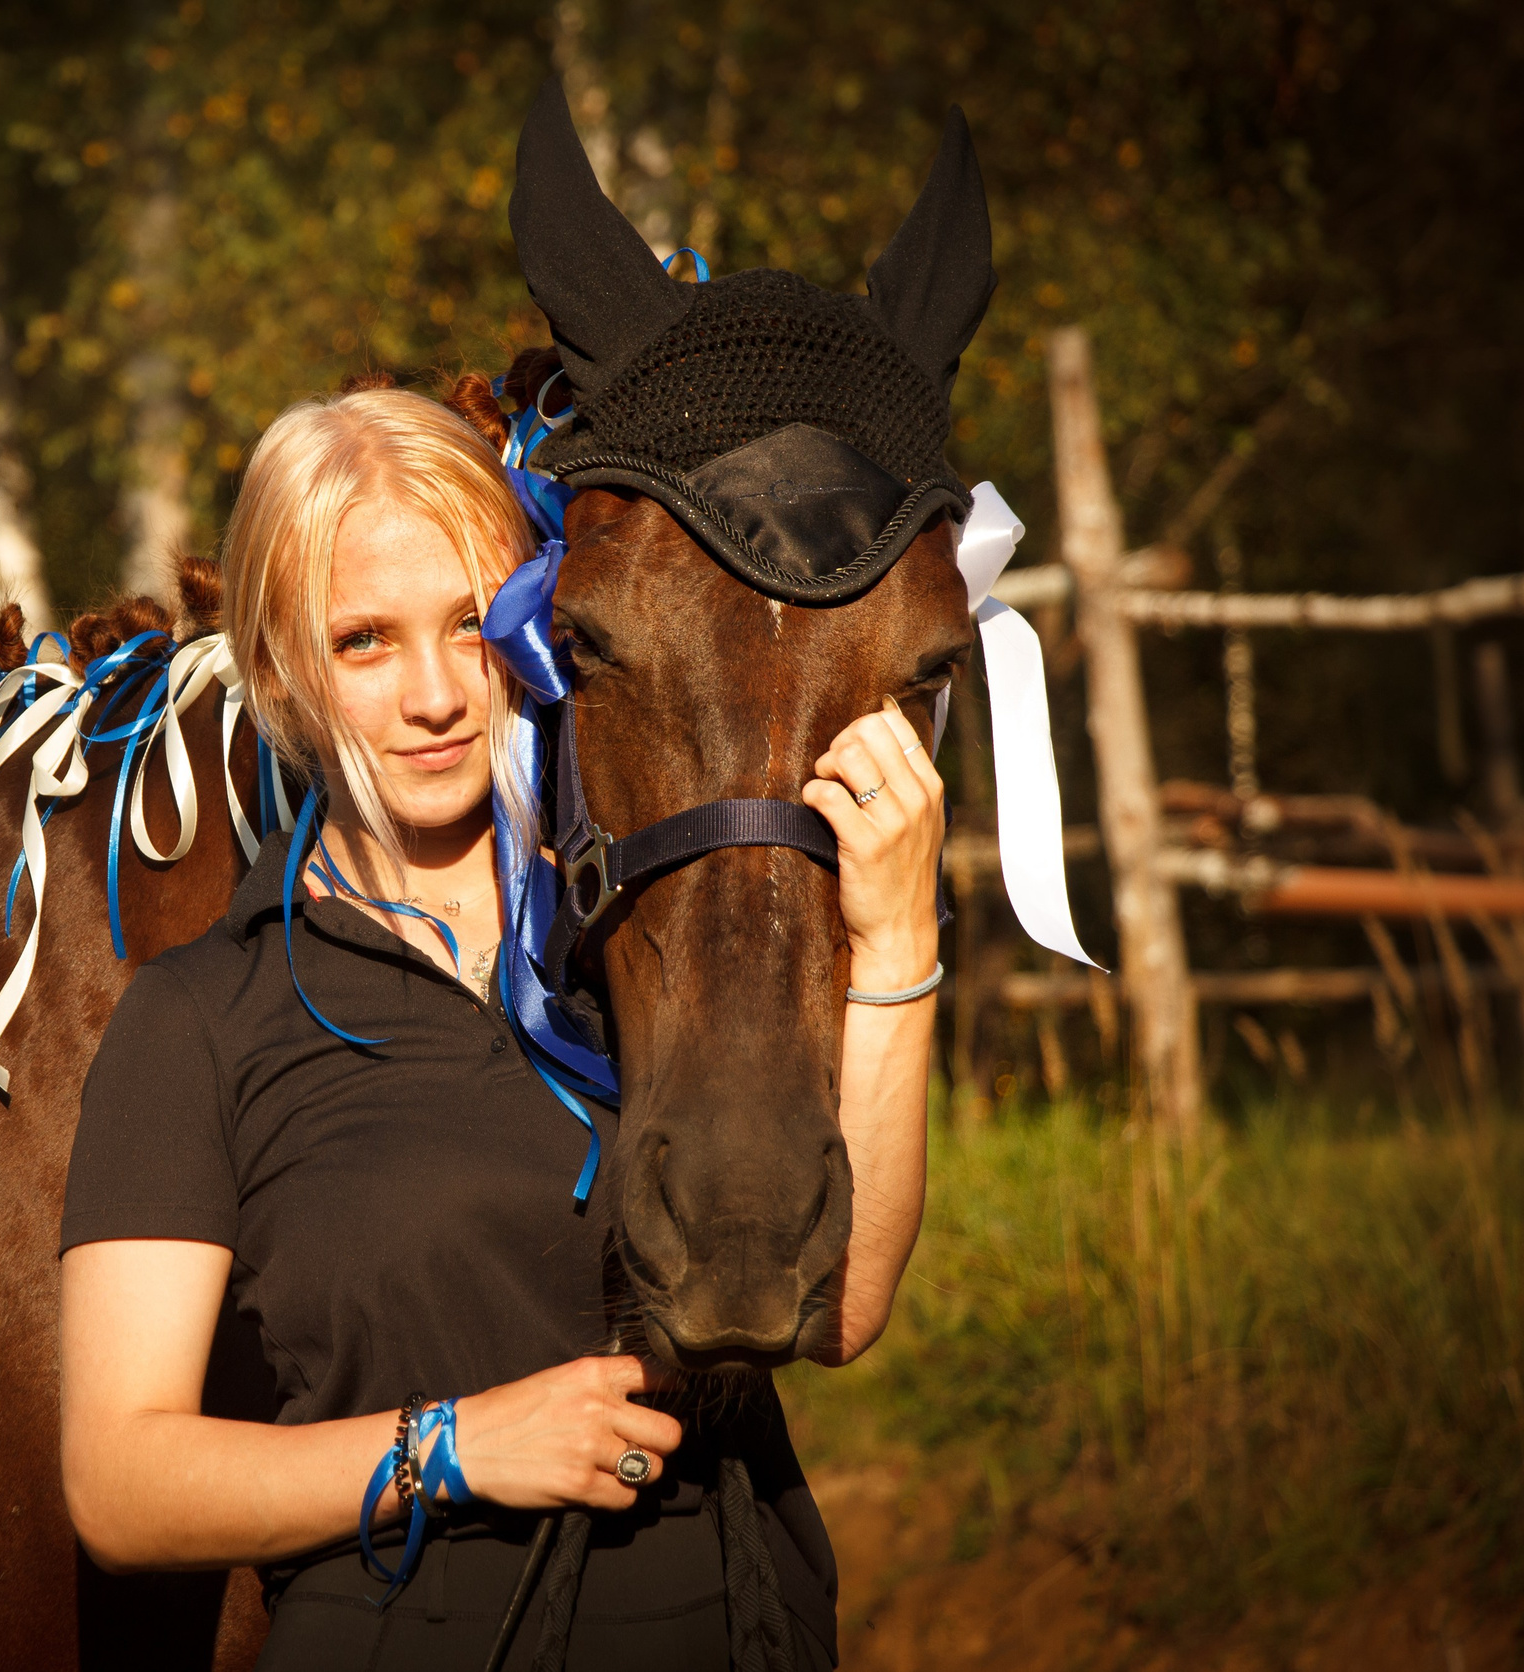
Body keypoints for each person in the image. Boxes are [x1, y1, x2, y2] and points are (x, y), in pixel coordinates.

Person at [57, 386, 943, 1668]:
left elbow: (842, 1309)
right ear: (281, 672)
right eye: (364, 639)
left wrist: (900, 941)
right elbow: (120, 1485)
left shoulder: (632, 936)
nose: (434, 695)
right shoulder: (202, 1017)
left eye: (470, 623)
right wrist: (455, 1447)